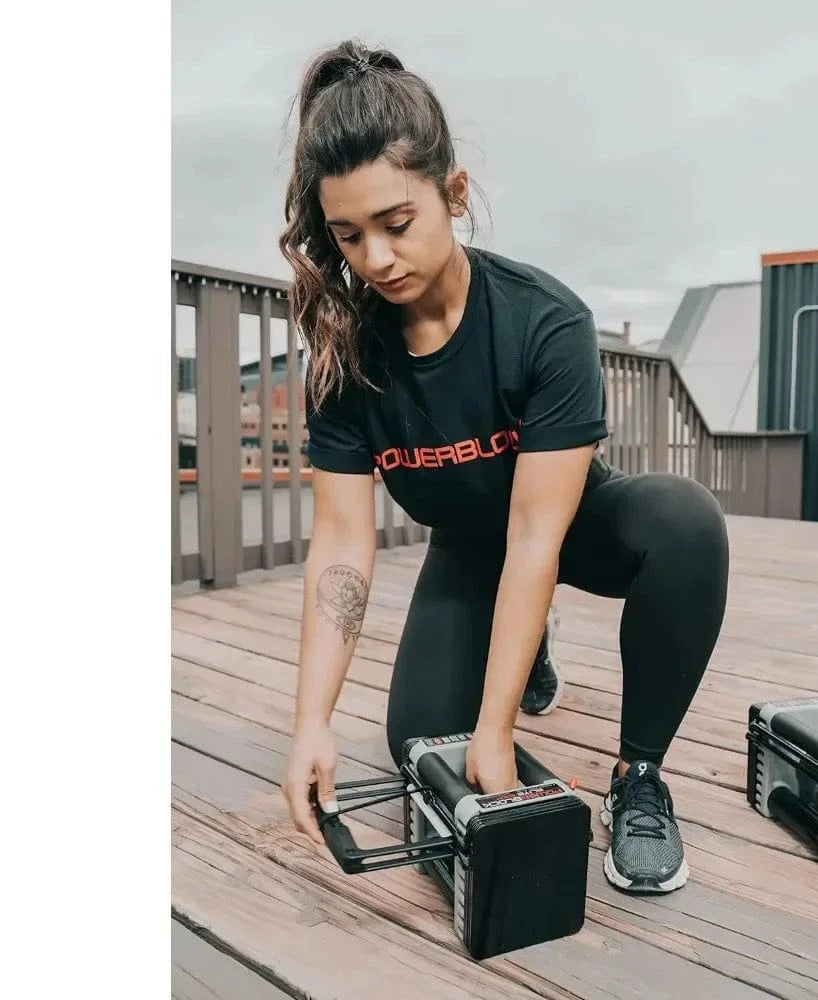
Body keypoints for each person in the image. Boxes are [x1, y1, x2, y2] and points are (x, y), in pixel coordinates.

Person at [279, 40, 729, 894]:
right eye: (349, 236)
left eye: (397, 224)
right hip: (467, 545)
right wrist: (311, 722)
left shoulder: (545, 322)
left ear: (453, 195)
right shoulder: (344, 357)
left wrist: (497, 730)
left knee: (685, 523)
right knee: (421, 745)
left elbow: (534, 540)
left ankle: (639, 775)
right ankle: (527, 645)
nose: (376, 259)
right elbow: (340, 546)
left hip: (562, 524)